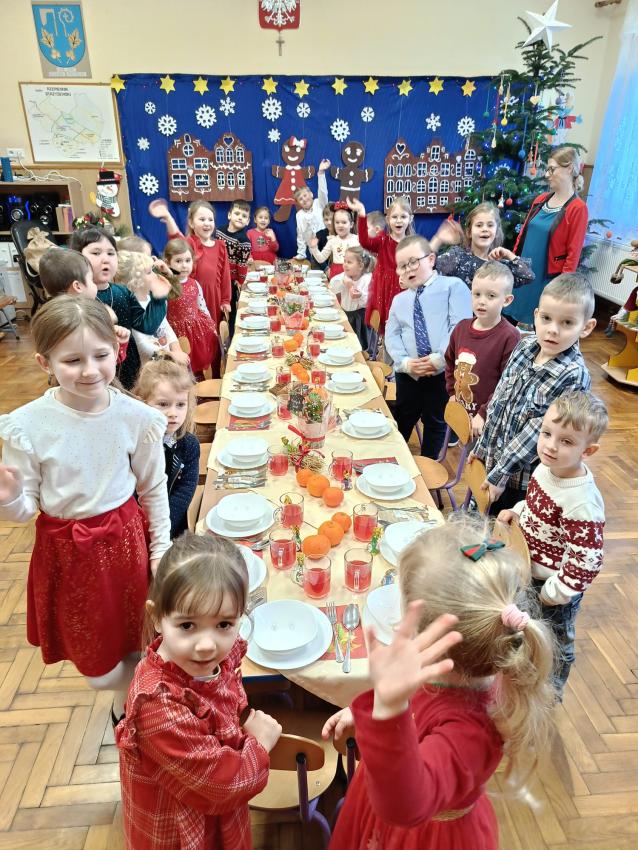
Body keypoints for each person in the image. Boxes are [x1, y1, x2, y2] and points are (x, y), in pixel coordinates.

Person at [322, 513, 555, 850]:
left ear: (428, 633)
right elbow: (414, 701)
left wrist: (387, 710)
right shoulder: (444, 670)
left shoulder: (471, 732)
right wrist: (372, 713)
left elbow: (405, 806)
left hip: (424, 835)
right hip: (387, 792)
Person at [0, 297, 170, 723]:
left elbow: (153, 488)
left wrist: (160, 549)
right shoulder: (27, 425)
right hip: (67, 553)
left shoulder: (137, 418)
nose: (90, 370)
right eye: (72, 360)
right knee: (98, 667)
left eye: (100, 355)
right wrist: (8, 497)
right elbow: (25, 508)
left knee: (136, 641)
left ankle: (130, 712)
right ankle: (141, 691)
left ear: (118, 349)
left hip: (124, 543)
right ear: (45, 363)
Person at [115, 533, 282, 850]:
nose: (206, 645)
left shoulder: (203, 662)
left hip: (210, 802)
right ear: (157, 617)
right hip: (181, 827)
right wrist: (258, 744)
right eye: (187, 626)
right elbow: (221, 787)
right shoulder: (158, 706)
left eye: (224, 625)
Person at [498, 392, 607, 698]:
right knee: (527, 631)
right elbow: (535, 506)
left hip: (554, 590)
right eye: (547, 433)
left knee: (556, 644)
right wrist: (516, 511)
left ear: (588, 450)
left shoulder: (581, 502)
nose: (550, 445)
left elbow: (586, 562)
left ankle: (550, 694)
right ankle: (523, 677)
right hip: (527, 572)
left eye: (566, 441)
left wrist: (553, 593)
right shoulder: (545, 468)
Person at [471, 273, 596, 514]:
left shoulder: (574, 376)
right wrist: (481, 448)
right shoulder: (524, 346)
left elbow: (539, 431)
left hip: (521, 481)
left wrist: (501, 473)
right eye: (547, 318)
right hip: (493, 462)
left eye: (567, 323)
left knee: (502, 530)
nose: (553, 330)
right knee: (480, 519)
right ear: (536, 316)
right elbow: (499, 400)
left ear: (586, 327)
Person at [385, 234, 472, 459]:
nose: (408, 269)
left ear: (431, 259)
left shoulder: (453, 287)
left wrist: (439, 359)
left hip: (441, 375)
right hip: (409, 374)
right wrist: (404, 362)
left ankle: (427, 464)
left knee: (435, 423)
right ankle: (392, 457)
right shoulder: (400, 300)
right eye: (402, 266)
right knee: (403, 416)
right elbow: (392, 334)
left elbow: (459, 326)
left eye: (413, 262)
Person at [69, 227, 169, 389]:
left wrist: (158, 299)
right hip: (93, 368)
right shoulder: (76, 296)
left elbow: (145, 325)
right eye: (96, 253)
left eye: (111, 253)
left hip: (129, 364)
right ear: (77, 258)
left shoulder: (123, 291)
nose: (105, 259)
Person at [507, 146, 589, 326]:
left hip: (546, 280)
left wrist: (562, 289)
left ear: (569, 168)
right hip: (522, 273)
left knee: (540, 325)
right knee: (508, 319)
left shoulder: (578, 208)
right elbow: (523, 235)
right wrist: (513, 262)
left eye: (552, 169)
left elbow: (573, 254)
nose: (546, 174)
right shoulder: (540, 199)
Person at [445, 262, 520, 439]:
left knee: (474, 456)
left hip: (487, 422)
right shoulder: (461, 328)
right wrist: (452, 393)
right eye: (477, 294)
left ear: (507, 300)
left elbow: (507, 383)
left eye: (491, 296)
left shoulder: (510, 337)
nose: (482, 301)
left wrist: (484, 413)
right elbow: (450, 362)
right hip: (461, 410)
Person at [135, 357, 200, 540]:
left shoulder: (189, 445)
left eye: (180, 405)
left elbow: (183, 492)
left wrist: (161, 532)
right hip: (137, 530)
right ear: (142, 403)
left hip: (172, 531)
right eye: (163, 404)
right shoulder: (134, 446)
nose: (173, 413)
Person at [148, 199, 231, 330]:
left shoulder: (220, 246)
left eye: (210, 220)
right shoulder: (190, 243)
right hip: (191, 298)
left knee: (212, 331)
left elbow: (225, 275)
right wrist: (168, 217)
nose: (207, 223)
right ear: (191, 223)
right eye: (202, 219)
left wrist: (225, 300)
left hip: (213, 298)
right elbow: (176, 239)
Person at [38, 247, 131, 363]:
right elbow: (110, 360)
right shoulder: (90, 318)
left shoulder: (47, 319)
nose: (95, 285)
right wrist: (121, 344)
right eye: (92, 280)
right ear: (78, 286)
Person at [115, 249, 190, 377]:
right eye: (149, 272)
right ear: (135, 281)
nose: (155, 275)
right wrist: (171, 355)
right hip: (150, 370)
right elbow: (143, 347)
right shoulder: (129, 309)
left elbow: (164, 325)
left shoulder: (150, 298)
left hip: (168, 362)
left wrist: (176, 348)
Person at [349, 195, 415, 334]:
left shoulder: (413, 245)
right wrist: (361, 213)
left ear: (410, 219)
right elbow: (365, 241)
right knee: (386, 330)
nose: (398, 220)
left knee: (402, 328)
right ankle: (384, 346)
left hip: (404, 291)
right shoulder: (383, 241)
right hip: (384, 292)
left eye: (403, 217)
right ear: (388, 219)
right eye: (394, 217)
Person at [431, 203, 534, 289]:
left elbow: (528, 276)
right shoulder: (458, 256)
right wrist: (438, 239)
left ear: (496, 232)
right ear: (469, 232)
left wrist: (508, 254)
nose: (485, 229)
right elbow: (427, 269)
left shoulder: (499, 265)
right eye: (479, 225)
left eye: (490, 225)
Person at [163, 238, 218, 377]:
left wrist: (211, 325)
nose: (184, 265)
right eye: (178, 261)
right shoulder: (165, 286)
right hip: (177, 334)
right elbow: (162, 315)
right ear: (168, 262)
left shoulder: (194, 283)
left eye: (187, 261)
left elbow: (202, 306)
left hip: (197, 332)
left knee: (200, 364)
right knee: (183, 368)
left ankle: (202, 384)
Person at [215, 200, 253, 336]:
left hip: (230, 281)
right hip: (215, 276)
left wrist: (241, 282)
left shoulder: (244, 241)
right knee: (215, 306)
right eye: (237, 214)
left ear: (248, 221)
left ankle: (230, 335)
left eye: (244, 216)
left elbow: (242, 265)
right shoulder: (219, 231)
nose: (240, 217)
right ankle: (216, 332)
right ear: (229, 215)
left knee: (229, 309)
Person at [330, 245, 375, 349]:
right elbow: (332, 286)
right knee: (342, 344)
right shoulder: (345, 276)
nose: (345, 265)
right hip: (346, 315)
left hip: (360, 319)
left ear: (361, 266)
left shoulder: (367, 279)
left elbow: (368, 302)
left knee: (357, 346)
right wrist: (344, 282)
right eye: (344, 261)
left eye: (349, 262)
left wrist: (359, 295)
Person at [309, 202, 359, 278]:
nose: (340, 225)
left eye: (344, 222)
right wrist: (314, 248)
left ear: (351, 224)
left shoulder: (356, 239)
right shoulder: (332, 240)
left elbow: (363, 258)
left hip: (352, 274)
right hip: (336, 274)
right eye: (337, 222)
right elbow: (321, 259)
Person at [294, 160, 330, 261]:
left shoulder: (319, 203)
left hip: (328, 246)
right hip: (314, 251)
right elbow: (300, 234)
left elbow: (323, 192)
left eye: (305, 195)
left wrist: (321, 173)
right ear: (298, 203)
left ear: (311, 194)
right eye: (300, 199)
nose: (304, 199)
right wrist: (301, 253)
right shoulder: (299, 215)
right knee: (316, 268)